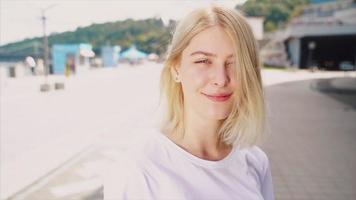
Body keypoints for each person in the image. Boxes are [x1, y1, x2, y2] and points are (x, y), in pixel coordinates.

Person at [103, 5, 274, 200]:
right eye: (203, 61)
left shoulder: (255, 161)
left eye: (234, 63)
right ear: (176, 69)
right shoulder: (139, 169)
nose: (221, 78)